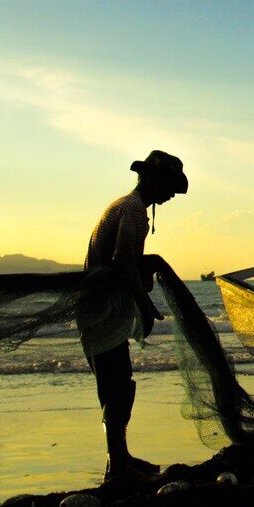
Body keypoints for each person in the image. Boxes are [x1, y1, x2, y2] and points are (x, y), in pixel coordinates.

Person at [84, 150, 188, 481]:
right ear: (153, 179)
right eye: (170, 185)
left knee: (119, 384)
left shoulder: (128, 207)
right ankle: (117, 466)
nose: (171, 194)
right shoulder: (131, 211)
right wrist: (145, 304)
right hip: (102, 310)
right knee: (116, 386)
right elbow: (124, 261)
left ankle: (121, 458)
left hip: (102, 309)